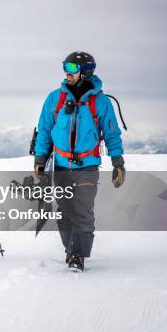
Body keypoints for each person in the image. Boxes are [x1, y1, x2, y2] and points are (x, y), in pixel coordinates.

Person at [33, 51, 125, 272]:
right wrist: (39, 159)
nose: (67, 72)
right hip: (61, 166)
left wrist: (118, 162)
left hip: (87, 166)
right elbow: (45, 130)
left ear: (85, 72)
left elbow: (112, 134)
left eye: (72, 68)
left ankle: (77, 254)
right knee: (64, 214)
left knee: (82, 212)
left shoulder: (100, 102)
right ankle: (72, 249)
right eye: (65, 66)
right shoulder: (55, 98)